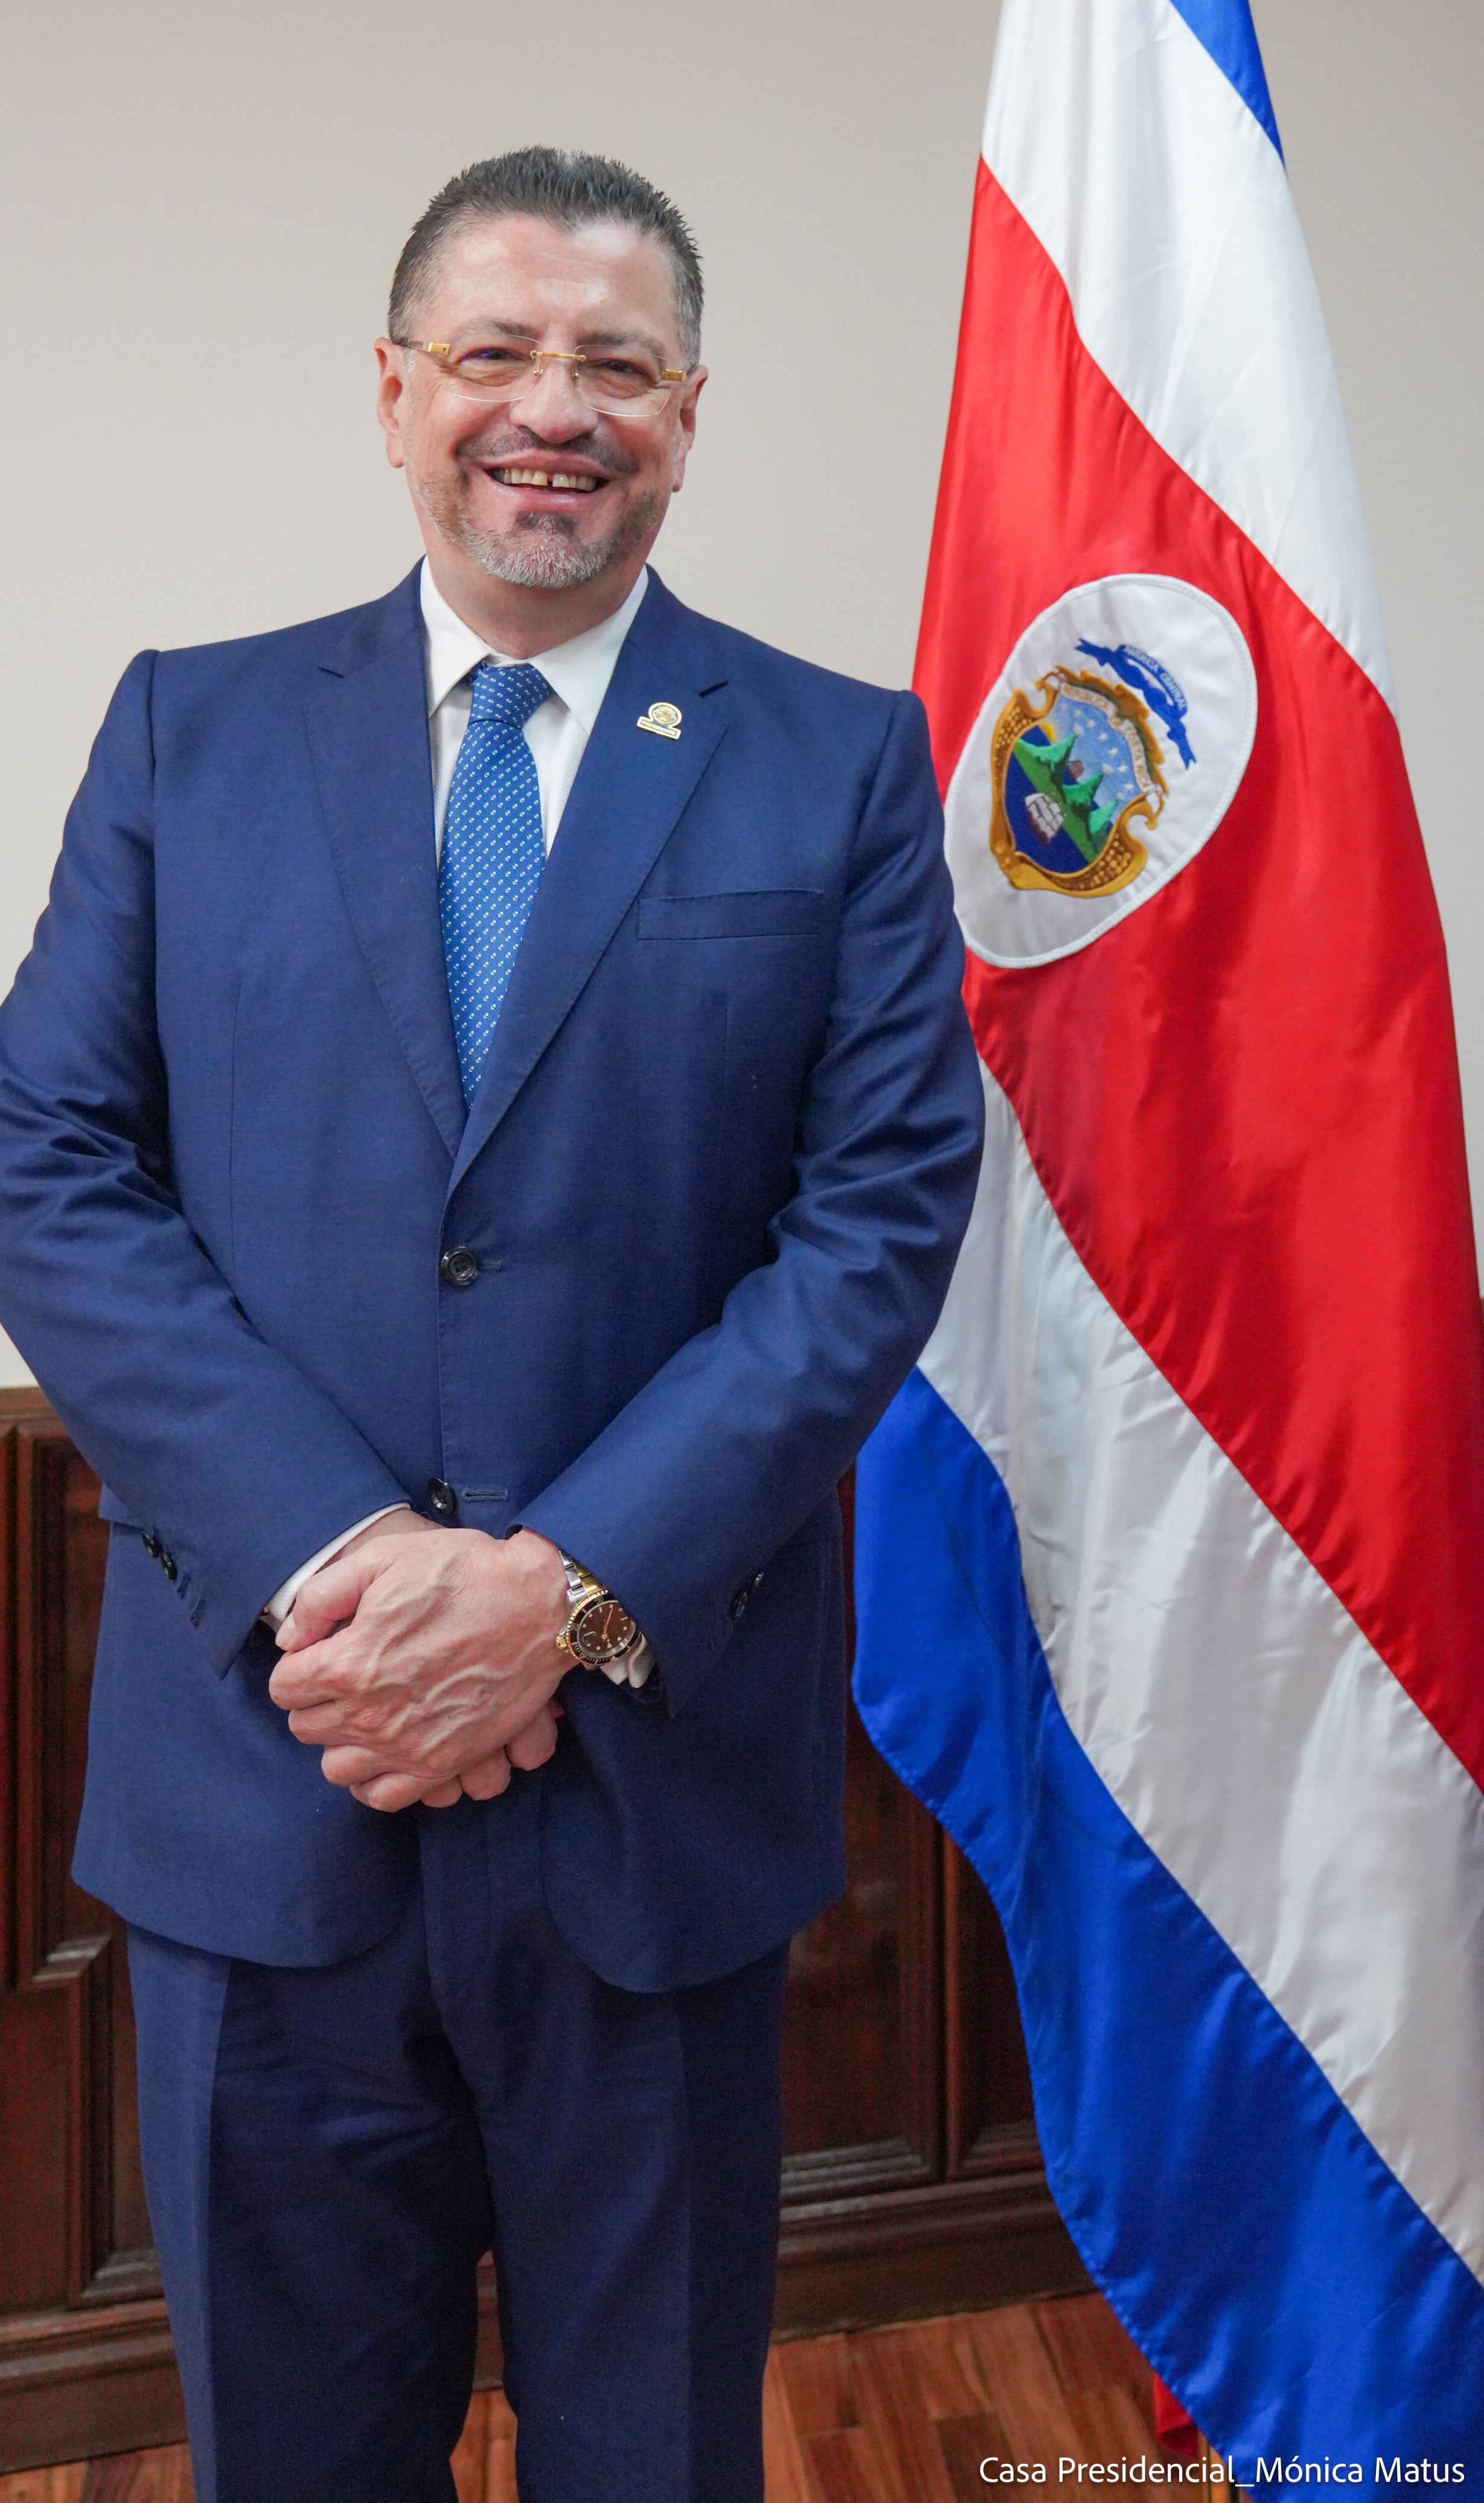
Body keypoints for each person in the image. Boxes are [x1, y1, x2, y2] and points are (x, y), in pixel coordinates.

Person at [0, 146, 983, 2503]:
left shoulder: (835, 761)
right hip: (274, 1777)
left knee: (651, 2458)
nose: (555, 408)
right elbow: (54, 1167)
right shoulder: (184, 733)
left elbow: (877, 1217)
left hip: (643, 1813)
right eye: (497, 353)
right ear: (393, 392)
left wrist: (548, 1594)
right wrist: (354, 1572)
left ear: (688, 412)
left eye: (616, 364)